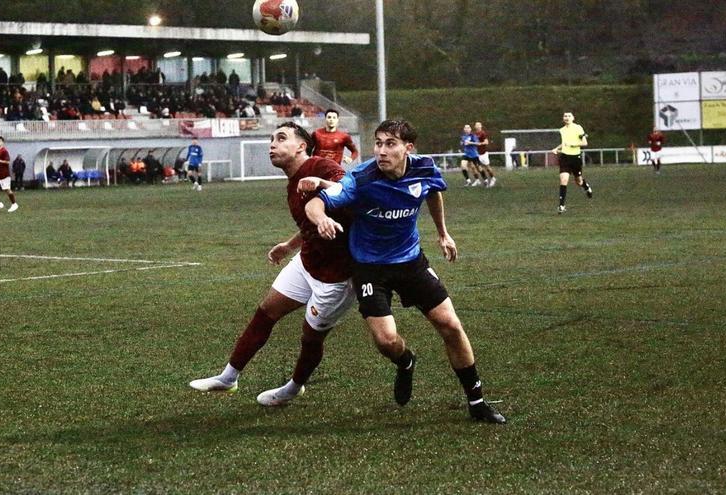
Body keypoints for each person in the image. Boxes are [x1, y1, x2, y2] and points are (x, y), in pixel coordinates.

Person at [303, 119, 506, 424]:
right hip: (369, 266)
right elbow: (317, 203)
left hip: (410, 261)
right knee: (386, 341)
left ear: (408, 148)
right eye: (378, 143)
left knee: (450, 324)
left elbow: (434, 192)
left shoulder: (424, 167)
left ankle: (477, 401)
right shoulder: (362, 176)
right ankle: (406, 361)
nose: (381, 151)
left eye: (390, 144)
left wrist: (442, 233)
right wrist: (321, 219)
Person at [189, 122, 355, 407]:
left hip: (337, 276)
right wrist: (289, 245)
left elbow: (350, 189)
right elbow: (309, 223)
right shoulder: (292, 182)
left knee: (311, 338)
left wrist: (324, 188)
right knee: (265, 312)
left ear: (301, 146)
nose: (272, 145)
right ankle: (228, 377)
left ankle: (293, 387)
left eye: (281, 139)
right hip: (307, 263)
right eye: (271, 139)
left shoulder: (321, 166)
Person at [551, 112, 592, 214]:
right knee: (564, 179)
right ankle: (561, 205)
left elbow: (584, 143)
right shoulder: (562, 130)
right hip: (565, 157)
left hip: (575, 158)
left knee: (579, 181)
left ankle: (586, 187)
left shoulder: (578, 128)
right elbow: (565, 143)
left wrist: (573, 145)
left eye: (569, 116)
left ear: (573, 118)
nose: (567, 117)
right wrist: (556, 148)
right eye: (565, 116)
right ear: (563, 118)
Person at [0, 136, 19, 213]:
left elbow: (8, 162)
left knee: (7, 190)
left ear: (2, 142)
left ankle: (14, 204)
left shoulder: (4, 151)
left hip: (4, 174)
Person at [474, 122, 497, 188]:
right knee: (479, 168)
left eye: (478, 125)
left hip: (483, 153)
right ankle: (485, 180)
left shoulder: (483, 133)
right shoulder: (474, 134)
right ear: (475, 127)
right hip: (477, 154)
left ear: (481, 126)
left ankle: (493, 178)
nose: (477, 126)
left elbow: (486, 142)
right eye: (476, 125)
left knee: (487, 168)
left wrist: (480, 143)